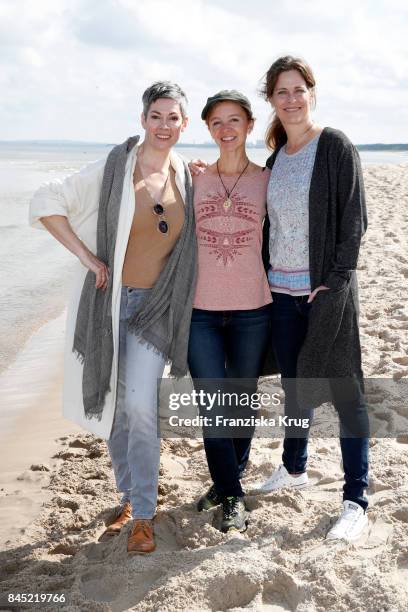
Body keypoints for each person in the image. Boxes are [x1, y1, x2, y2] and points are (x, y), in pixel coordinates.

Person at [29, 81, 197, 554]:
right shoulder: (114, 167)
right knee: (117, 406)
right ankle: (129, 497)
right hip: (109, 303)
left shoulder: (186, 175)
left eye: (173, 118)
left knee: (142, 407)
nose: (164, 126)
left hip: (155, 309)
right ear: (143, 119)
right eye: (156, 116)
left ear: (184, 125)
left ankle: (143, 515)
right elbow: (47, 200)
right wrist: (87, 257)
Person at [252, 56, 370, 542]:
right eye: (282, 91)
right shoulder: (276, 159)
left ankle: (356, 501)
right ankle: (295, 468)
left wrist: (335, 283)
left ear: (312, 93)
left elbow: (354, 221)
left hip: (326, 292)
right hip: (281, 291)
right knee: (296, 388)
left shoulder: (335, 146)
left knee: (346, 394)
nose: (292, 99)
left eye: (299, 89)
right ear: (271, 100)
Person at [187, 91, 272, 533]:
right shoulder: (193, 179)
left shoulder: (267, 178)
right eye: (217, 122)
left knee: (243, 402)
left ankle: (224, 483)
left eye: (234, 120)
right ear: (208, 128)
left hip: (253, 309)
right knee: (213, 406)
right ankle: (233, 495)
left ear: (249, 125)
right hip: (200, 311)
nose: (226, 129)